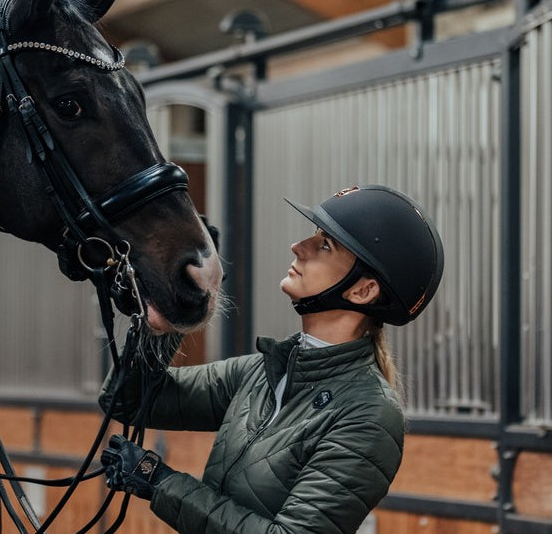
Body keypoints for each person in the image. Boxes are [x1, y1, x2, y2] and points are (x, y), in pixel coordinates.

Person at [99, 184, 444, 534]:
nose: (299, 247)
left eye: (324, 245)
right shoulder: (262, 372)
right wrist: (177, 300)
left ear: (363, 290)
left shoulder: (369, 415)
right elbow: (128, 400)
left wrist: (159, 481)